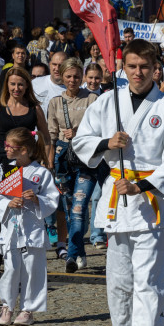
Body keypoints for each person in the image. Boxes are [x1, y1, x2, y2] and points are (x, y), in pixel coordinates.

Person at [73, 39, 164, 326]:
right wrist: (107, 143)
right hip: (115, 199)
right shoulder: (109, 102)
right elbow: (81, 141)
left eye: (145, 67)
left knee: (149, 279)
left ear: (156, 69)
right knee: (119, 281)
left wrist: (143, 186)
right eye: (132, 66)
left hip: (149, 202)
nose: (138, 73)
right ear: (123, 67)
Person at [0, 66, 53, 278]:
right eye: (13, 84)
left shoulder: (35, 109)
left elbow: (47, 138)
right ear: (7, 85)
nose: (16, 88)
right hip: (1, 165)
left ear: (27, 86)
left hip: (25, 165)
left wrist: (48, 163)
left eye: (20, 84)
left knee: (25, 211)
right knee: (1, 215)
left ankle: (22, 262)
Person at [0, 127, 60, 326]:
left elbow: (52, 198)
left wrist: (38, 200)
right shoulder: (6, 169)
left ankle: (28, 308)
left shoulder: (41, 173)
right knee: (11, 268)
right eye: (6, 145)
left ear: (24, 150)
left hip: (32, 228)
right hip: (11, 228)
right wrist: (6, 203)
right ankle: (7, 305)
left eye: (11, 146)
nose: (7, 149)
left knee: (33, 269)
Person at [46, 58, 99, 272]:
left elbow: (100, 128)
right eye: (69, 76)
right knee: (69, 210)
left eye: (77, 76)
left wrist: (79, 133)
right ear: (62, 76)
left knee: (78, 209)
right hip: (62, 161)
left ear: (83, 77)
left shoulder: (92, 99)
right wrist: (49, 160)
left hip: (85, 160)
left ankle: (72, 254)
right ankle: (79, 250)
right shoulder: (55, 103)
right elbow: (50, 134)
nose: (72, 80)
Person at [32, 51, 67, 117]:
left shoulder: (71, 90)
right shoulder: (35, 83)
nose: (57, 69)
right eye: (54, 64)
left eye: (61, 65)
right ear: (49, 64)